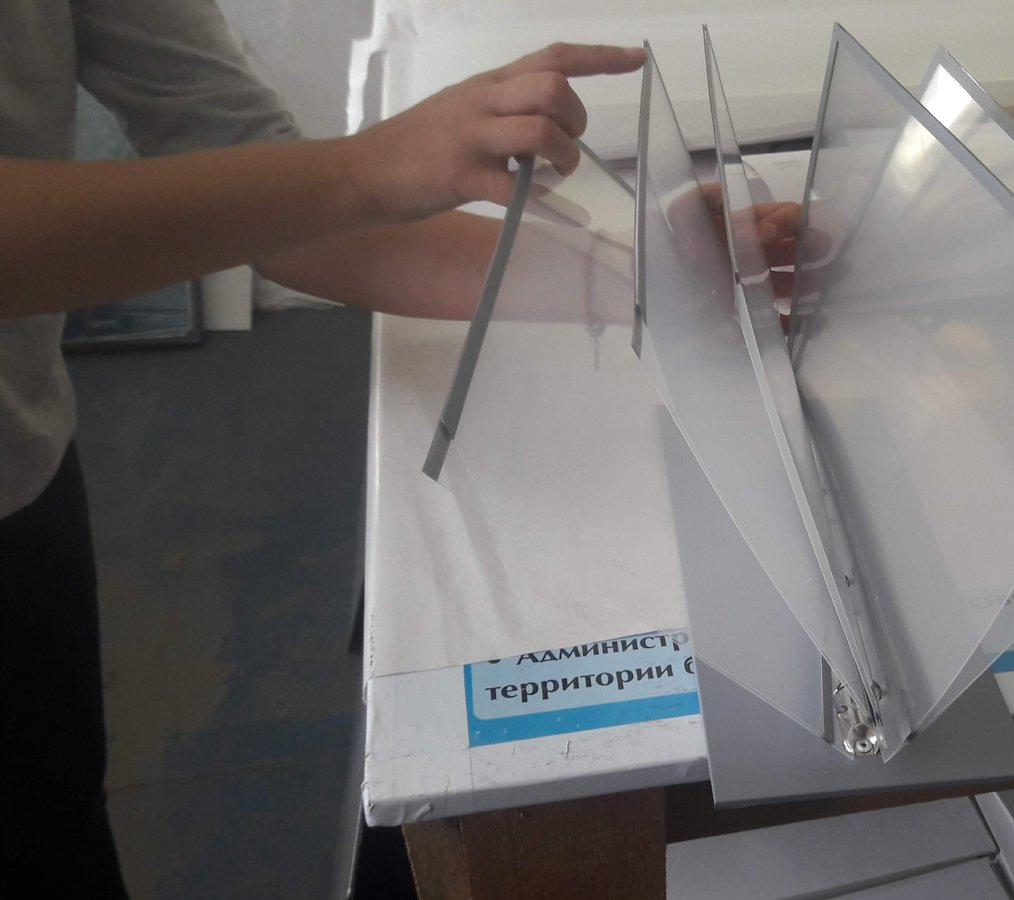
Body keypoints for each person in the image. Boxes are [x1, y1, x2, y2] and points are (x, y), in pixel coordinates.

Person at [1, 3, 801, 895]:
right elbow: (327, 191)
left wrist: (642, 275)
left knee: (54, 819)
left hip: (24, 461)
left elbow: (287, 208)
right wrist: (362, 169)